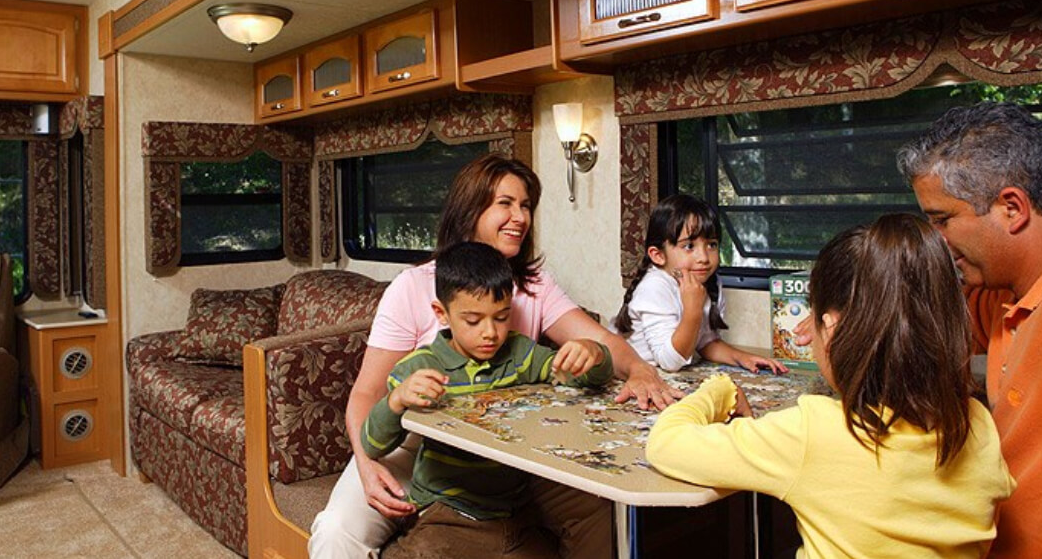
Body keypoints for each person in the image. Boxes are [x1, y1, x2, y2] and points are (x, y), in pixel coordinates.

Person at [310, 154, 680, 559]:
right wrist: (366, 464)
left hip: (508, 449)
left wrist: (640, 370)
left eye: (525, 206)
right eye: (505, 204)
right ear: (470, 209)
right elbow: (366, 393)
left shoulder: (534, 285)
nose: (519, 217)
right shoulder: (413, 286)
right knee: (335, 532)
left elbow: (598, 341)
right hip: (412, 444)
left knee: (596, 503)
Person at [646, 213, 1015, 558]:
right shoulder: (979, 423)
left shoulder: (814, 431)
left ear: (833, 328)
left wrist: (719, 389)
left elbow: (665, 444)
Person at [897, 101, 1042, 559]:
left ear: (1012, 207)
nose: (937, 241)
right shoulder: (1013, 296)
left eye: (942, 220)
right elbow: (938, 318)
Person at [362, 242, 613, 558]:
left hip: (515, 502)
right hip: (449, 508)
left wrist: (594, 354)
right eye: (473, 320)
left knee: (597, 510)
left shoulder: (519, 353)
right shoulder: (419, 368)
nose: (490, 333)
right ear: (442, 314)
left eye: (501, 317)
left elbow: (577, 375)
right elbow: (372, 443)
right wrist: (396, 400)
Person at [614, 194, 786, 373]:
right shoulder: (654, 287)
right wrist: (693, 310)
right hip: (641, 376)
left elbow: (705, 342)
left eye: (711, 245)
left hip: (671, 375)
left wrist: (741, 357)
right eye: (689, 246)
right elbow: (669, 362)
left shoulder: (708, 281)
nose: (704, 258)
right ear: (658, 255)